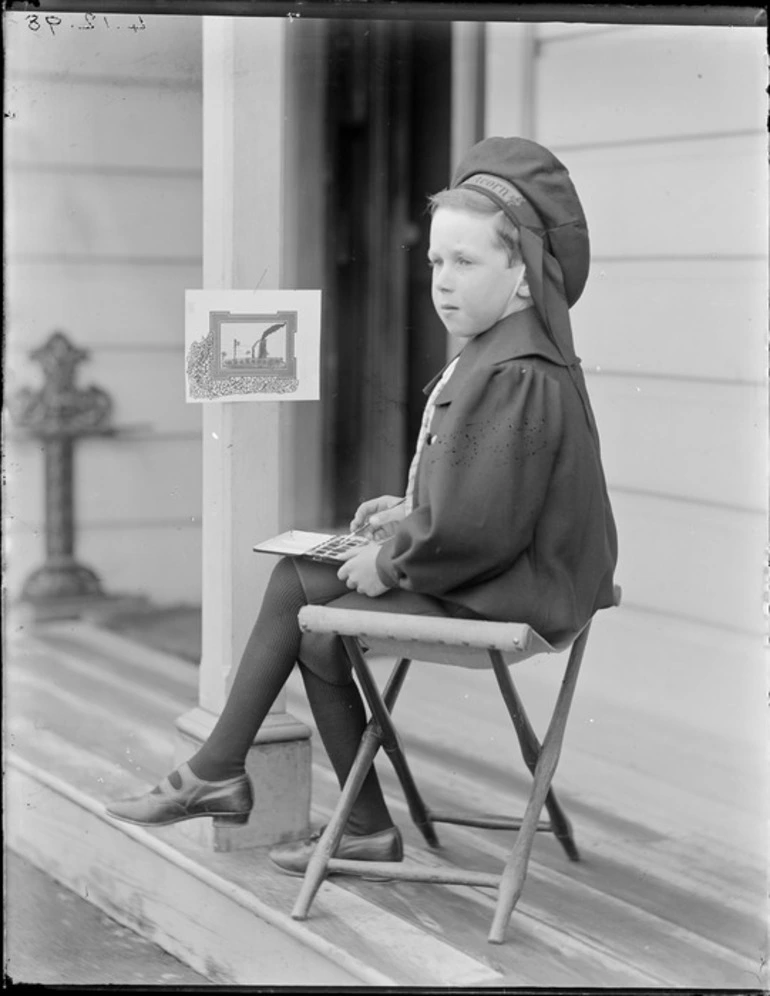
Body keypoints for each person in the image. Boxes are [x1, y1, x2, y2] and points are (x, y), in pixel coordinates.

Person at [105, 136, 618, 876]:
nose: (441, 280)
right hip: (499, 571)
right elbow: (481, 499)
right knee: (304, 599)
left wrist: (396, 556)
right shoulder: (495, 351)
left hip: (521, 594)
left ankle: (225, 771)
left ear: (527, 278)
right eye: (436, 261)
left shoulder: (518, 372)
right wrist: (410, 512)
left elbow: (484, 528)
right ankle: (341, 818)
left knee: (303, 598)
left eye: (465, 262)